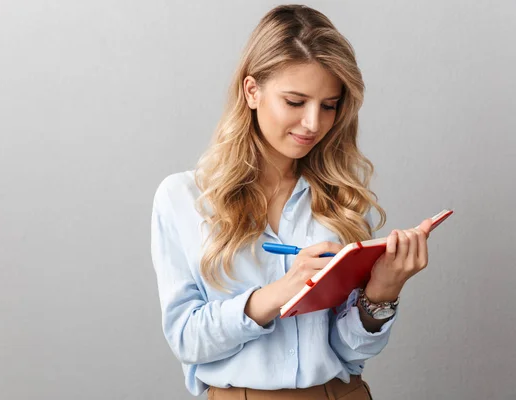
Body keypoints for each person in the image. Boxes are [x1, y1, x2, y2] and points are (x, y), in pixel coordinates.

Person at [151, 4, 433, 399]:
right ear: (252, 91)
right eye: (296, 102)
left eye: (329, 105)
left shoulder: (346, 201)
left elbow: (351, 353)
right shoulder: (184, 199)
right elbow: (185, 339)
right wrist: (277, 294)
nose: (314, 124)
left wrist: (381, 295)